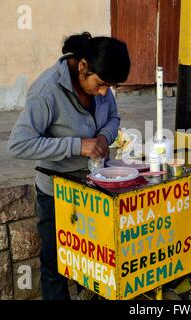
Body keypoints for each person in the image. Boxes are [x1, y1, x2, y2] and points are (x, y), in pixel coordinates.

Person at [7, 32, 130, 300]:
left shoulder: (101, 82)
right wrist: (77, 145)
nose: (104, 92)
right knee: (57, 265)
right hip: (57, 194)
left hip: (95, 188)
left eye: (109, 86)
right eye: (100, 85)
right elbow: (19, 144)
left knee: (97, 263)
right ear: (83, 66)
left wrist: (103, 137)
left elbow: (113, 117)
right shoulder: (46, 91)